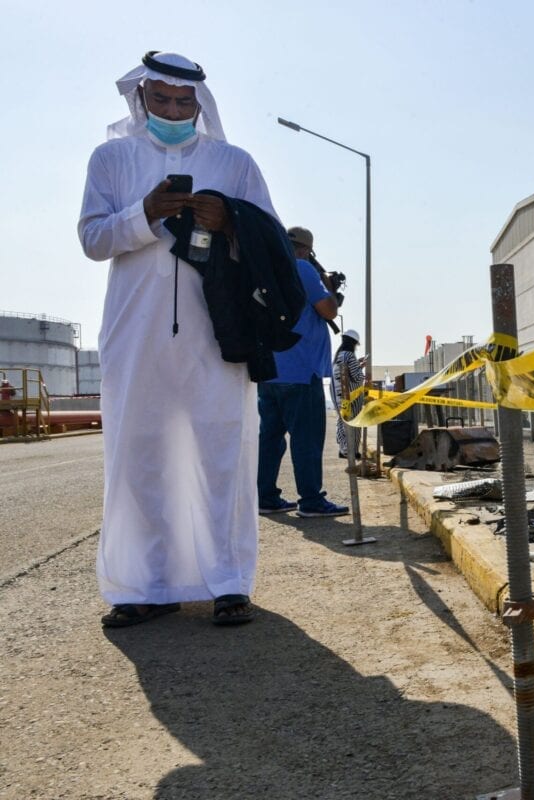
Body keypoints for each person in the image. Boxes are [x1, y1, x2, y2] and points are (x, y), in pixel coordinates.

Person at [79, 52, 269, 627]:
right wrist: (143, 214)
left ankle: (229, 583)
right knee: (139, 456)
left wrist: (229, 222)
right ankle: (141, 587)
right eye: (160, 100)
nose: (171, 110)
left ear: (198, 105)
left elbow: (269, 238)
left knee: (220, 454)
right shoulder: (112, 159)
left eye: (183, 103)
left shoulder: (232, 162)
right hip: (134, 334)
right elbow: (91, 238)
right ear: (141, 99)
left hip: (217, 334)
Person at [256, 226, 349, 518]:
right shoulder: (302, 269)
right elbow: (329, 311)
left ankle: (265, 497)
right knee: (306, 440)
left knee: (270, 438)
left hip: (269, 370)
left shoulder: (265, 267)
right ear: (306, 249)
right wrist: (329, 286)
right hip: (301, 369)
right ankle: (310, 500)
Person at [331, 330, 366, 459]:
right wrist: (361, 368)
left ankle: (343, 448)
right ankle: (352, 450)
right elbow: (357, 378)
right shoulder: (350, 356)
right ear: (353, 343)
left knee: (342, 420)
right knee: (354, 422)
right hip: (351, 397)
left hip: (339, 396)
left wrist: (358, 365)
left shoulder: (339, 355)